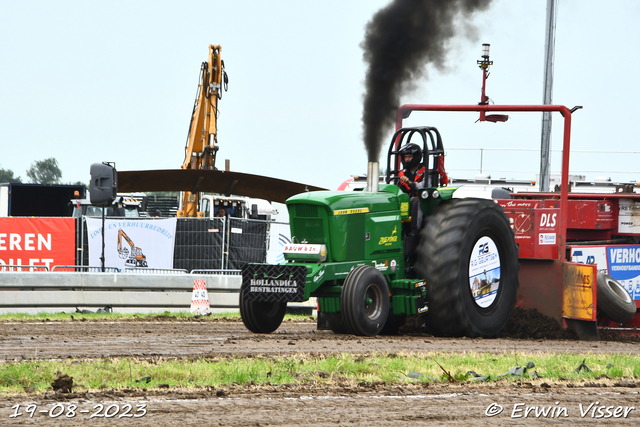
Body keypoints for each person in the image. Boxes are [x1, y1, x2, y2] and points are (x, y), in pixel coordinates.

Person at [396, 143, 425, 263]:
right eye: (405, 157)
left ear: (416, 157)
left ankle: (414, 233)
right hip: (404, 203)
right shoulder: (401, 173)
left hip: (422, 205)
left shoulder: (426, 172)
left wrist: (410, 183)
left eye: (409, 157)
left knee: (415, 201)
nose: (407, 159)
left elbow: (422, 187)